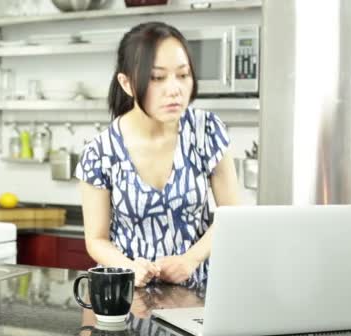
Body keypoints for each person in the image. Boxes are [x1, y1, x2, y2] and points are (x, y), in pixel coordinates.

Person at [75, 22, 239, 288]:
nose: (174, 89)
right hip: (128, 294)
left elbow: (232, 214)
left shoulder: (206, 131)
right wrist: (128, 267)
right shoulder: (100, 151)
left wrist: (190, 260)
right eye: (157, 78)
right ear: (126, 83)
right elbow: (96, 240)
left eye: (183, 75)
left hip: (199, 293)